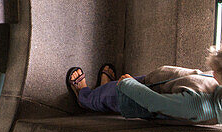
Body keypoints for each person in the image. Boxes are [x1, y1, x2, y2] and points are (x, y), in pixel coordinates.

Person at [66, 48, 222, 124]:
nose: (213, 73)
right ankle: (104, 90)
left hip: (139, 95)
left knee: (110, 97)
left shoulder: (199, 105)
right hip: (154, 83)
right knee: (109, 94)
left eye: (215, 71)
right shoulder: (216, 93)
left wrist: (128, 85)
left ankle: (85, 97)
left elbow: (155, 103)